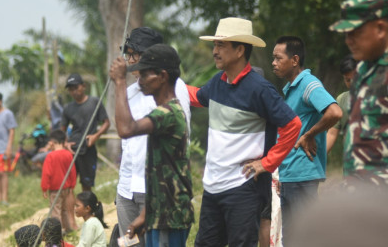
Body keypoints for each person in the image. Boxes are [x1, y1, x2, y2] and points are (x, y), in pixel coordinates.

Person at [188, 17, 302, 247]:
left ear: (240, 50)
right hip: (212, 187)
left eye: (221, 45)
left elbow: (293, 125)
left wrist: (267, 163)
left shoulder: (259, 89)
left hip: (243, 189)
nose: (215, 51)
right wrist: (168, 83)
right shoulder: (218, 82)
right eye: (215, 45)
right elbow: (197, 97)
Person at [110, 44, 194, 246]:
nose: (140, 82)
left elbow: (126, 129)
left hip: (170, 217)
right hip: (160, 215)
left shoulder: (168, 113)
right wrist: (145, 215)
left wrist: (120, 82)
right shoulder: (163, 111)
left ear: (163, 76)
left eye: (145, 75)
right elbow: (160, 175)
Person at [272, 36, 342, 245]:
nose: (273, 63)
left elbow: (335, 112)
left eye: (278, 58)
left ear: (294, 60)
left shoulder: (309, 84)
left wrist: (310, 134)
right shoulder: (292, 88)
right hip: (290, 174)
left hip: (302, 173)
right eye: (272, 58)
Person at [329, 0, 388, 188]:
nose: (348, 41)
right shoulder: (363, 70)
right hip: (358, 194)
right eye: (346, 34)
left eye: (354, 33)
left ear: (380, 28)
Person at [61, 73, 110, 192]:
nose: (74, 92)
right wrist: (65, 143)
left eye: (76, 88)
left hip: (88, 148)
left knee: (86, 185)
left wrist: (96, 136)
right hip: (72, 149)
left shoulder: (94, 102)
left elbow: (106, 123)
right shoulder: (68, 108)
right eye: (70, 89)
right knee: (68, 186)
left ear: (83, 86)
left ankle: (86, 208)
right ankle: (69, 210)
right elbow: (62, 129)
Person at [41, 130, 78, 232]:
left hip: (55, 190)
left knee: (55, 210)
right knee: (65, 209)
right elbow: (72, 171)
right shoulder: (68, 154)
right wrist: (72, 186)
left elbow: (46, 174)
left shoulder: (50, 156)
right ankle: (68, 228)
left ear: (52, 142)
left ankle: (57, 232)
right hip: (66, 188)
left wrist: (44, 188)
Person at [326, 55, 357, 153]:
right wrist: (318, 158)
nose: (352, 83)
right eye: (347, 80)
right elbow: (332, 133)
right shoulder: (342, 100)